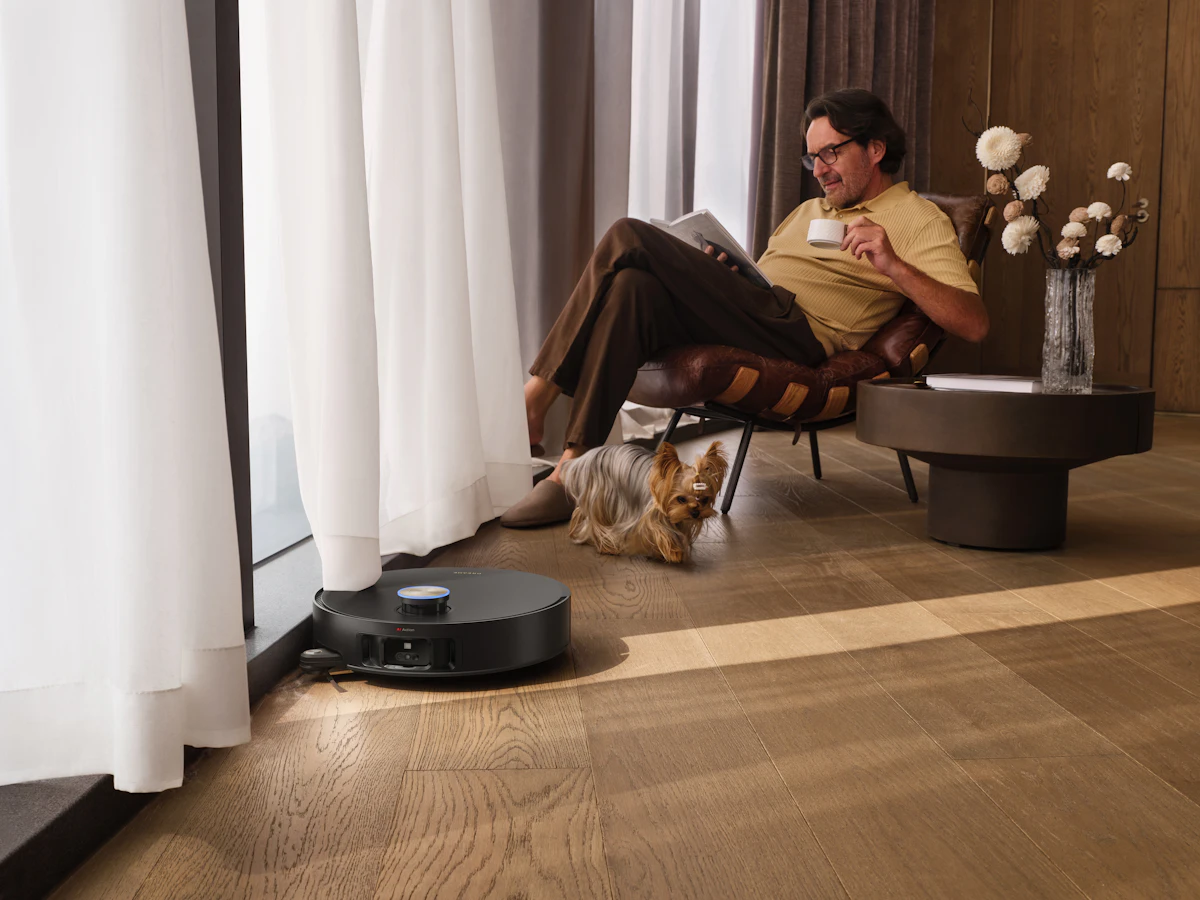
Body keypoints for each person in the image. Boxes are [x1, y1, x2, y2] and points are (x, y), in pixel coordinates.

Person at [502, 88, 988, 528]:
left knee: (628, 235)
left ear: (876, 149)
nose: (818, 169)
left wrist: (893, 263)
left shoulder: (917, 219)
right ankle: (575, 468)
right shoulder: (807, 212)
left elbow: (973, 323)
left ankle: (537, 396)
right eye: (812, 157)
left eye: (831, 153)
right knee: (632, 286)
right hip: (760, 313)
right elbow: (769, 283)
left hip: (803, 336)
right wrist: (732, 277)